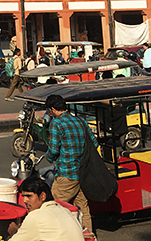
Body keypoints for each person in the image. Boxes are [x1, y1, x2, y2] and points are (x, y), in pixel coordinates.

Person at [45, 94, 97, 233]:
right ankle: (89, 235)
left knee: (53, 207)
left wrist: (48, 157)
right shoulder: (80, 121)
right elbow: (94, 142)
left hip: (67, 174)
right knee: (82, 207)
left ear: (53, 109)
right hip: (83, 173)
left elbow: (54, 149)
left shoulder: (57, 123)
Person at [7, 176, 84, 241]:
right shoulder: (66, 211)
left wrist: (15, 232)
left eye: (29, 196)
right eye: (23, 196)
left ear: (43, 196)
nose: (25, 200)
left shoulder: (35, 216)